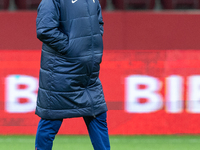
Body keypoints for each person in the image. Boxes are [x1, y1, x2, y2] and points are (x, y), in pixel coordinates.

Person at [34, 0, 110, 150]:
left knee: (98, 115)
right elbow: (45, 30)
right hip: (61, 71)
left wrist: (91, 47)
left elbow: (98, 23)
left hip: (88, 73)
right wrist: (73, 49)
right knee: (51, 119)